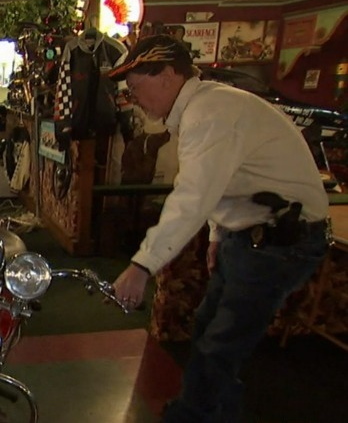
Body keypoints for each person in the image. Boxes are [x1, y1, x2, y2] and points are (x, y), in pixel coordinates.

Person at [108, 35, 329, 423]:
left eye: (136, 87)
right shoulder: (206, 107)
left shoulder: (209, 112)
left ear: (167, 76)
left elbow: (192, 196)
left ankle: (193, 416)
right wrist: (218, 235)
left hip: (280, 242)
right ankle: (217, 412)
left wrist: (142, 266)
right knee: (210, 331)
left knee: (219, 345)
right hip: (251, 236)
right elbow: (220, 182)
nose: (133, 98)